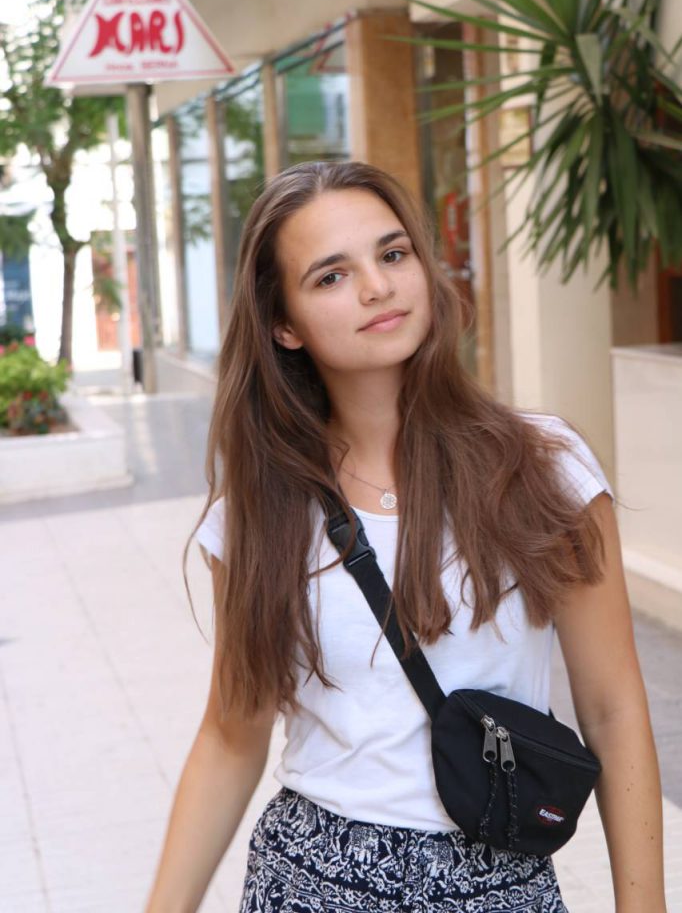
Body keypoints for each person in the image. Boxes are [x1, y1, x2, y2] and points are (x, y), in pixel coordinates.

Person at [144, 161, 666, 913]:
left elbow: (614, 713)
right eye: (330, 276)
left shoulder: (544, 470)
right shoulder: (260, 510)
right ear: (283, 324)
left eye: (393, 255)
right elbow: (232, 734)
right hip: (309, 881)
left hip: (497, 886)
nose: (377, 287)